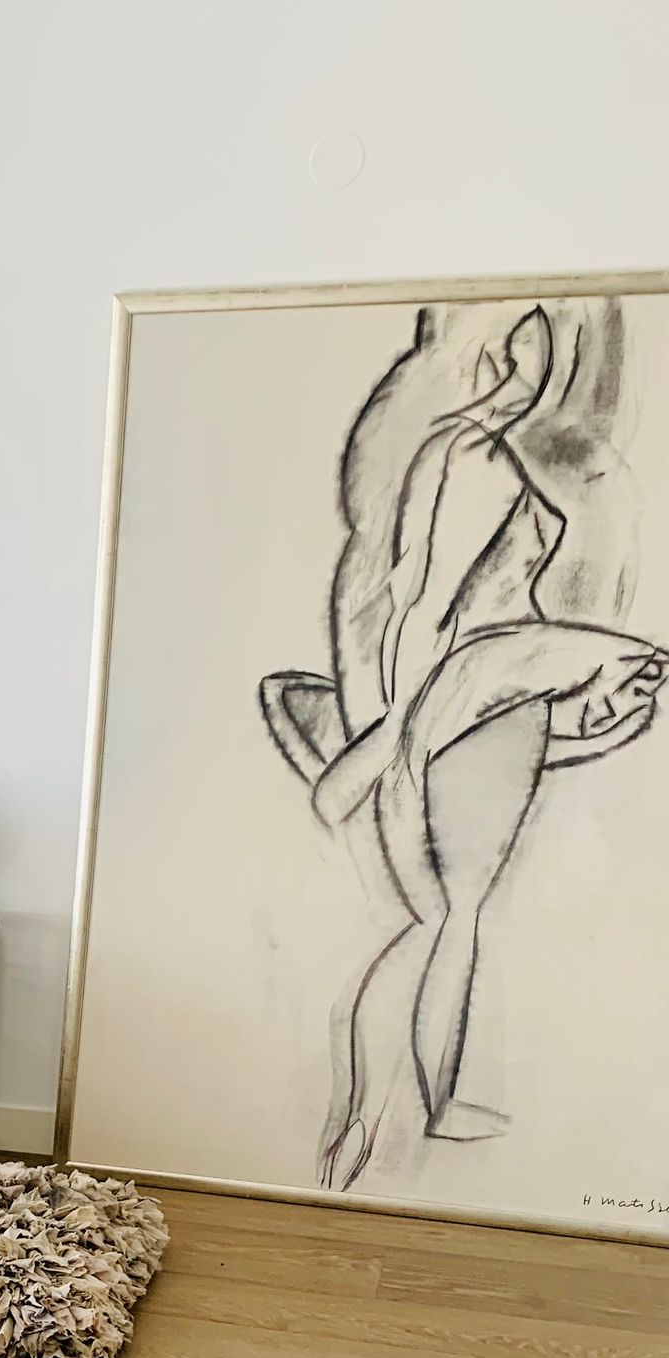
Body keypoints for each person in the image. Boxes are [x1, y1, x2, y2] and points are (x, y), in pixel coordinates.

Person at [261, 300, 665, 1190]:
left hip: (482, 698)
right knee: (439, 918)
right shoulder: (464, 457)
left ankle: (392, 1114)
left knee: (443, 916)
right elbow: (413, 590)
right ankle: (388, 1115)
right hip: (461, 697)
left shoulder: (505, 469)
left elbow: (435, 600)